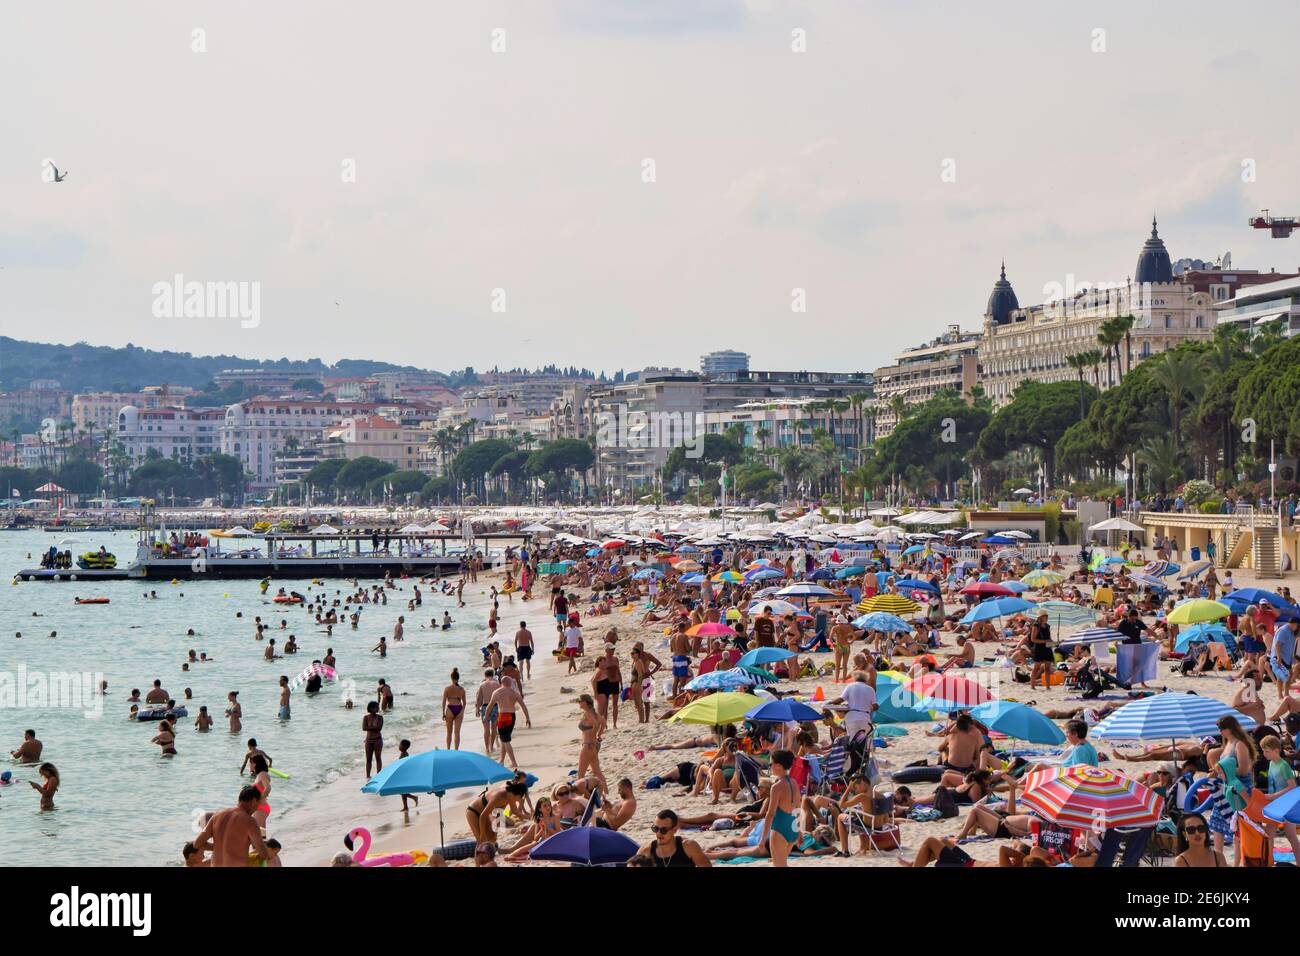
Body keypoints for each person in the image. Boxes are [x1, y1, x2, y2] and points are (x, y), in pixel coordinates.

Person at [193, 786, 269, 867]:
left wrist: (217, 847)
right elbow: (263, 854)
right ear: (254, 801)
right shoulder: (250, 821)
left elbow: (197, 844)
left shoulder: (217, 815)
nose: (257, 808)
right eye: (258, 804)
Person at [638, 809, 711, 867]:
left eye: (664, 830)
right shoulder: (646, 850)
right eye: (655, 829)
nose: (658, 833)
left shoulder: (688, 847)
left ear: (675, 830)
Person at [487, 677, 531, 769]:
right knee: (504, 739)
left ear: (501, 682)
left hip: (503, 716)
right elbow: (523, 706)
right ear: (510, 683)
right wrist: (527, 718)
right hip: (512, 716)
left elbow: (490, 705)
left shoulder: (497, 692)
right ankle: (501, 761)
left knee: (506, 740)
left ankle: (513, 762)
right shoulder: (515, 693)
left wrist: (486, 716)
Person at [475, 669, 501, 753]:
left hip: (485, 707)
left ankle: (487, 748)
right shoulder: (497, 683)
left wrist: (477, 709)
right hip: (495, 707)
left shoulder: (482, 685)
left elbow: (479, 698)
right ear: (493, 675)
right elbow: (500, 696)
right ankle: (492, 746)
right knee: (494, 728)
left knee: (486, 729)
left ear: (485, 676)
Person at [442, 669, 466, 749]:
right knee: (457, 732)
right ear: (458, 678)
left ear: (451, 678)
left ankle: (448, 750)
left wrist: (443, 713)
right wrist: (462, 711)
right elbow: (465, 703)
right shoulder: (462, 689)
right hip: (459, 708)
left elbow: (444, 702)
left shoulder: (447, 689)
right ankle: (456, 750)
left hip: (450, 709)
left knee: (449, 733)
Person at [362, 700, 384, 777]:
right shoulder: (366, 717)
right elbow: (364, 728)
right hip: (368, 740)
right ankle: (368, 775)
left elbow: (379, 728)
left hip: (377, 740)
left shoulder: (380, 717)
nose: (378, 708)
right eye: (376, 707)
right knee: (368, 759)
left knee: (378, 758)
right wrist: (374, 728)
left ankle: (379, 775)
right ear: (371, 708)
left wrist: (370, 728)